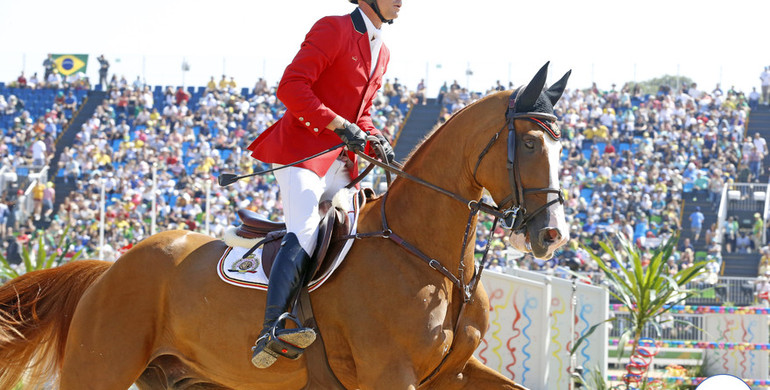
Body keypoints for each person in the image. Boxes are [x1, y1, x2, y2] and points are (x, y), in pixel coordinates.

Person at [246, 0, 400, 369]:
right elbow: (291, 88)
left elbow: (360, 114)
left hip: (341, 160)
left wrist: (374, 137)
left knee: (365, 222)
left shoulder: (383, 52)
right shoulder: (333, 28)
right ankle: (272, 328)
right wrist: (342, 127)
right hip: (302, 151)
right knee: (306, 226)